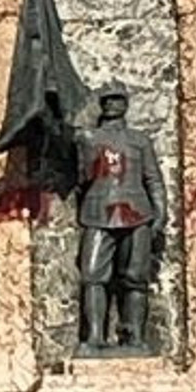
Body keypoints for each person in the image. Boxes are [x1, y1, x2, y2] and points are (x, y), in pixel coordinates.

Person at [75, 80, 167, 354]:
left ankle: (135, 336)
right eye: (108, 100)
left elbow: (153, 179)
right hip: (98, 212)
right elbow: (82, 178)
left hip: (136, 212)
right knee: (92, 275)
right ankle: (94, 337)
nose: (113, 104)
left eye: (118, 99)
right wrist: (86, 150)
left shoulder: (139, 140)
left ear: (126, 104)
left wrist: (160, 213)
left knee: (135, 277)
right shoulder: (89, 138)